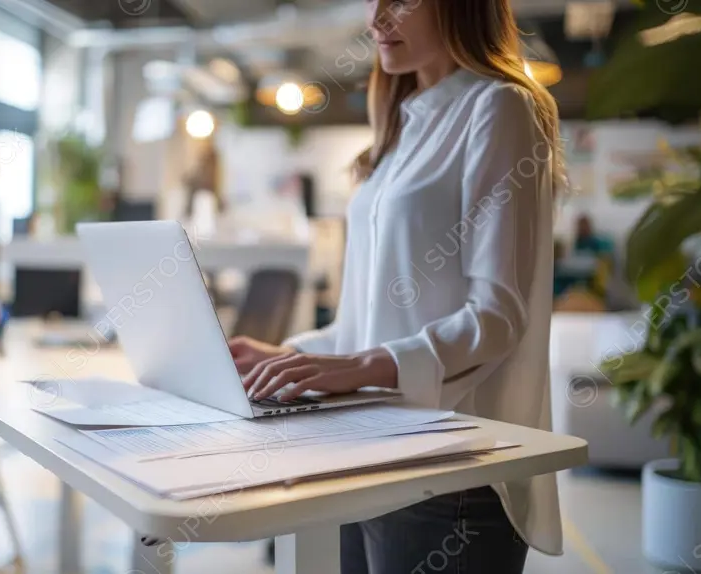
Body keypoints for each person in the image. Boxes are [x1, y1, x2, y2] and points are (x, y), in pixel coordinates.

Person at [229, 0, 565, 572]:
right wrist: (293, 354)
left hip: (453, 467)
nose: (376, 20)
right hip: (372, 448)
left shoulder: (501, 106)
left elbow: (496, 315)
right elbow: (367, 321)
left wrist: (363, 367)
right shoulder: (402, 124)